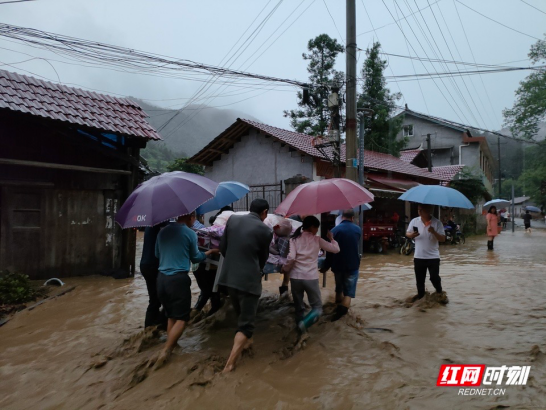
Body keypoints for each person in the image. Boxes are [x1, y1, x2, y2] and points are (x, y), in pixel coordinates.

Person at [153, 212, 219, 368]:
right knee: (182, 319)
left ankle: (173, 345)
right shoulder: (190, 233)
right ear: (190, 217)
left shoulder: (162, 231)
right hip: (178, 280)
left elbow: (157, 254)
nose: (195, 221)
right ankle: (166, 350)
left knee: (171, 316)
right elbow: (196, 257)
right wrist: (210, 252)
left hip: (161, 279)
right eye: (194, 218)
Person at [218, 199, 273, 373]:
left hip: (228, 279)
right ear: (264, 212)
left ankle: (247, 343)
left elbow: (223, 248)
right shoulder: (265, 230)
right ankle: (230, 365)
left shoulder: (233, 220)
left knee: (241, 314)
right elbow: (263, 258)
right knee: (246, 325)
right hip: (248, 282)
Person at [282, 216, 339, 334]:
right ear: (312, 227)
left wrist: (285, 268)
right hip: (310, 278)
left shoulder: (293, 239)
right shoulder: (317, 240)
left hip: (295, 278)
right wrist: (331, 239)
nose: (317, 231)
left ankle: (299, 331)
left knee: (299, 307)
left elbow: (291, 258)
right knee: (317, 309)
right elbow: (336, 249)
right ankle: (304, 325)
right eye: (316, 228)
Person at [321, 209, 362, 322]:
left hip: (338, 265)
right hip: (352, 265)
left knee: (338, 289)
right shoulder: (358, 230)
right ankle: (340, 316)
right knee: (348, 293)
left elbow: (330, 251)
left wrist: (326, 266)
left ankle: (336, 309)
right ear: (352, 218)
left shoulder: (335, 230)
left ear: (342, 217)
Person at [406, 204, 446, 300]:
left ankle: (440, 292)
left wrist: (434, 232)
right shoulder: (414, 221)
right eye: (418, 209)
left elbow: (443, 239)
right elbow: (407, 233)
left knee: (434, 277)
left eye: (421, 210)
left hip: (433, 257)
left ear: (429, 210)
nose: (419, 211)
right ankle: (421, 297)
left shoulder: (437, 223)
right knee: (419, 280)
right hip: (419, 256)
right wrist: (412, 235)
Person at [139, 223, 168, 328]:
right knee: (164, 298)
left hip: (145, 265)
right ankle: (158, 326)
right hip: (154, 265)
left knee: (155, 299)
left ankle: (150, 329)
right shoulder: (161, 226)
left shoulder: (150, 225)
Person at [263, 218, 293, 295]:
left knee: (287, 274)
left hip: (282, 254)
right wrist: (276, 252)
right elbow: (267, 246)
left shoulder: (290, 231)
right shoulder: (269, 229)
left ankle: (284, 293)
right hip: (270, 251)